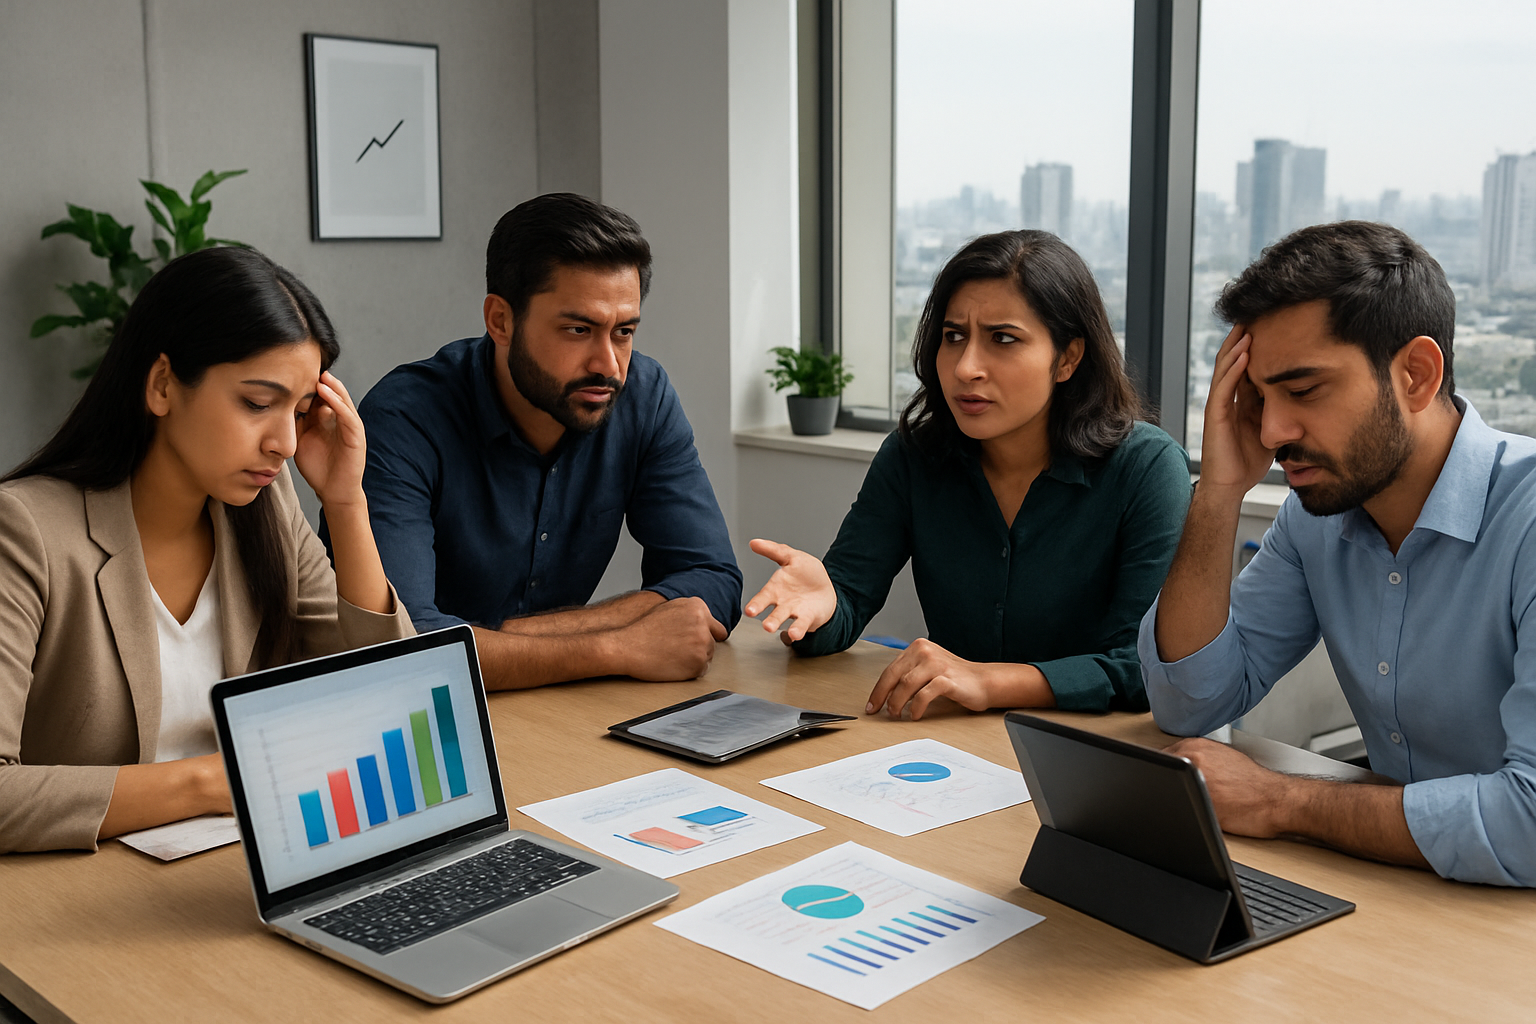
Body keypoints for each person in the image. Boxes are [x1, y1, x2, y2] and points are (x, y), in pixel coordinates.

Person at [1139, 220, 1536, 887]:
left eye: (1302, 391)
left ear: (1415, 374)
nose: (1271, 431)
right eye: (1258, 398)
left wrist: (1280, 801)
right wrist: (1219, 494)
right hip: (1410, 892)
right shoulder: (1314, 519)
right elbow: (1189, 705)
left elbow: (1529, 822)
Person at [0, 246, 413, 854]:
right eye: (256, 403)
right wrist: (210, 782)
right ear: (163, 384)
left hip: (245, 863)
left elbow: (391, 697)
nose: (285, 443)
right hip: (84, 893)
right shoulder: (26, 529)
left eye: (300, 412)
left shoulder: (266, 510)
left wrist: (346, 503)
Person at [745, 230, 1191, 719]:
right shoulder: (915, 454)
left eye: (1003, 339)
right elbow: (846, 601)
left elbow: (1144, 668)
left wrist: (993, 681)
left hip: (1090, 757)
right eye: (953, 336)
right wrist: (823, 608)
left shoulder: (1147, 469)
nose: (965, 367)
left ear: (1067, 358)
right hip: (949, 748)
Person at [339, 193, 741, 691]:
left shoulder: (643, 395)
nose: (609, 365)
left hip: (562, 712)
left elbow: (712, 578)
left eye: (624, 331)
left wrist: (522, 637)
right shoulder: (403, 420)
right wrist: (616, 647)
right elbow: (407, 645)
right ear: (501, 321)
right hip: (429, 721)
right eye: (578, 329)